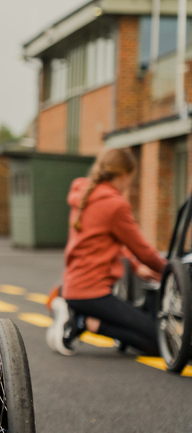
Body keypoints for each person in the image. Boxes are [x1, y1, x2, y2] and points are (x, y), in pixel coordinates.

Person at [46, 148, 167, 356]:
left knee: (144, 331)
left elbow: (112, 243)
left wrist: (137, 268)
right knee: (161, 344)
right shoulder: (115, 205)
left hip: (72, 287)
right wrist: (171, 272)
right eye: (131, 178)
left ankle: (81, 318)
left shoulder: (85, 194)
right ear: (123, 176)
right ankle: (82, 320)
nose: (130, 184)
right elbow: (143, 250)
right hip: (92, 293)